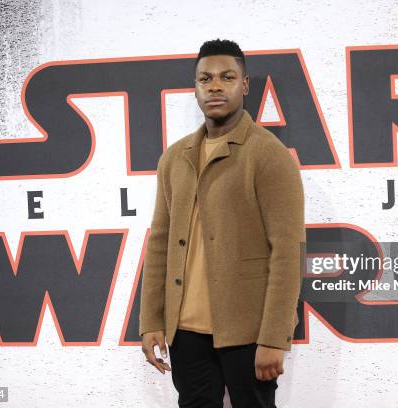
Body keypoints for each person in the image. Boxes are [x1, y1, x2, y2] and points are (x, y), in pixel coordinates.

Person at [139, 38, 305, 408]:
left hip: (248, 331)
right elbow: (160, 243)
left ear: (244, 85)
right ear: (195, 88)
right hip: (185, 331)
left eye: (227, 77)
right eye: (205, 79)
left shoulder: (269, 156)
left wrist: (275, 338)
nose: (215, 86)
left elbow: (287, 253)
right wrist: (152, 319)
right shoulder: (174, 158)